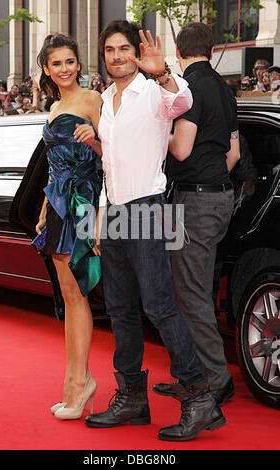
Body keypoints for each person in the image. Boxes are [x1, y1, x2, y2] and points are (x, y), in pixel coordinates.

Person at [74, 19, 226, 442]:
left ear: (136, 54)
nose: (118, 56)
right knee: (119, 307)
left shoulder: (155, 91)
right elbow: (111, 165)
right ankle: (132, 397)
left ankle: (199, 396)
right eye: (110, 50)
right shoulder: (105, 100)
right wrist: (101, 218)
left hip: (150, 208)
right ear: (103, 56)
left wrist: (160, 72)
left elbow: (182, 100)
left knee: (160, 305)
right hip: (116, 210)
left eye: (125, 49)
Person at [153, 22, 240, 407]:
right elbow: (233, 155)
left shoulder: (190, 88)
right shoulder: (225, 89)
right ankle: (195, 376)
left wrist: (158, 133)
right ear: (210, 48)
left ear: (178, 51)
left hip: (192, 202)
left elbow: (182, 150)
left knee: (188, 294)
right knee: (197, 290)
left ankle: (213, 380)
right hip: (220, 198)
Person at [35, 33, 103, 420]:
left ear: (79, 63)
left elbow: (112, 155)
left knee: (78, 293)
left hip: (83, 205)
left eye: (70, 61)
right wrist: (45, 205)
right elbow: (54, 164)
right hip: (59, 206)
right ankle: (74, 382)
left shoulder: (92, 100)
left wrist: (97, 216)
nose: (65, 68)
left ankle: (80, 385)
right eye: (56, 63)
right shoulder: (55, 105)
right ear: (46, 68)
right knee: (67, 294)